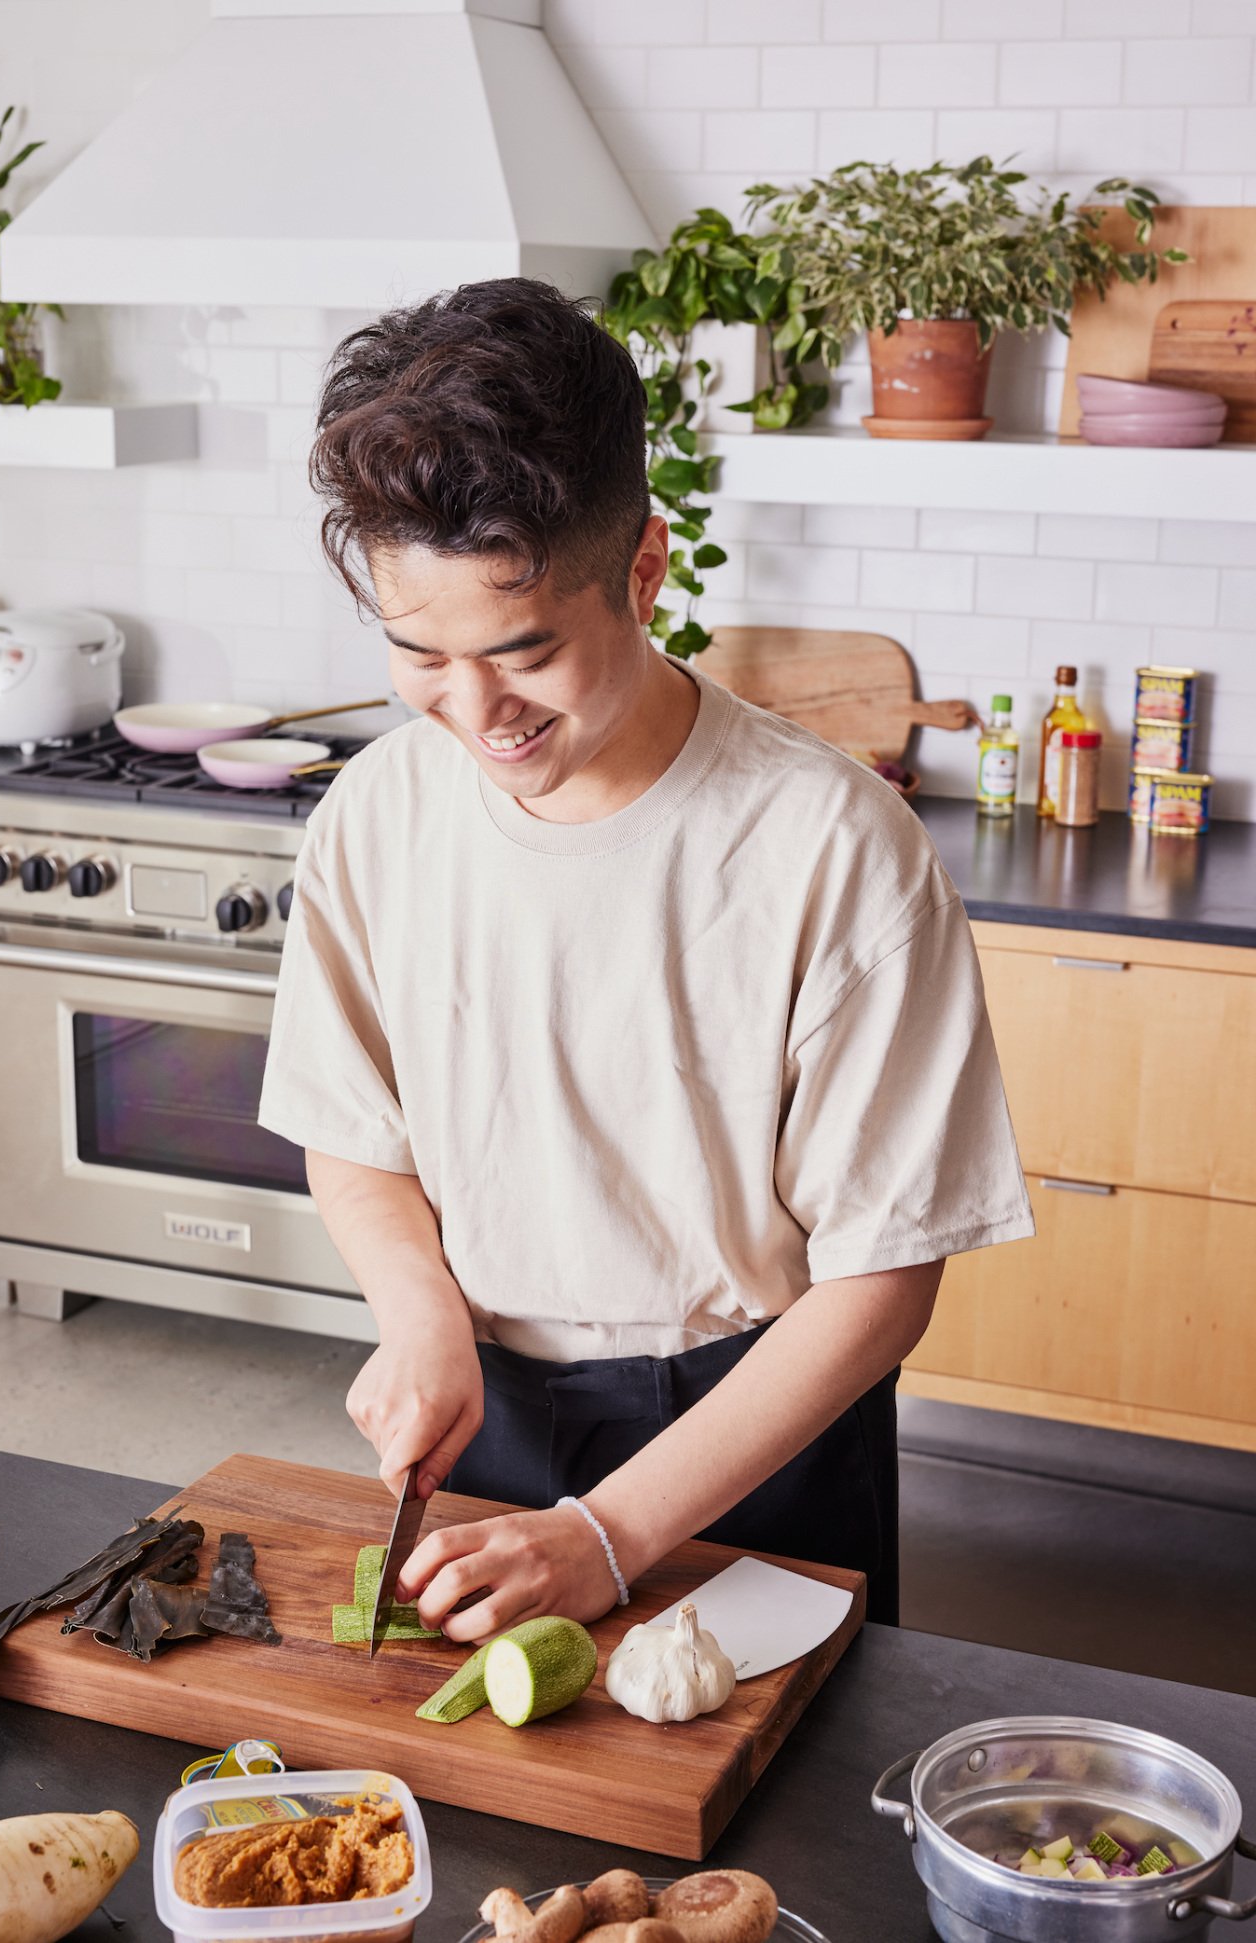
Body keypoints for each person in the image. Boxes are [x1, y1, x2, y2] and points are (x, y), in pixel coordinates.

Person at [258, 278, 1033, 1642]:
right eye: (416, 654)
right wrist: (418, 1309)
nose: (476, 708)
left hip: (759, 1432)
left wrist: (612, 1535)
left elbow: (885, 1275)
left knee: (767, 1832)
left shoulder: (831, 845)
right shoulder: (378, 814)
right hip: (480, 1410)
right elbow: (353, 1129)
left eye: (525, 650)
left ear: (646, 568)